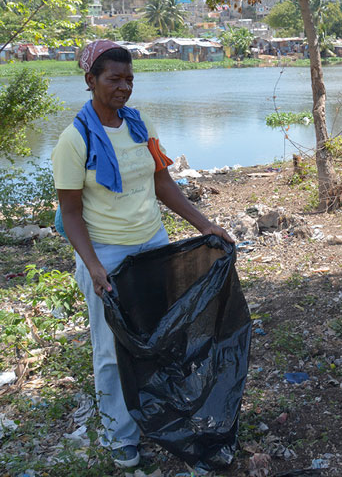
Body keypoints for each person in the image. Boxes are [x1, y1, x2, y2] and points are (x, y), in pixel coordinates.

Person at [52, 40, 234, 468]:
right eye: (114, 79)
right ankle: (122, 437)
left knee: (161, 339)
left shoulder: (139, 125)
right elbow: (72, 214)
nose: (123, 87)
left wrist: (203, 224)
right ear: (90, 80)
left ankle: (159, 417)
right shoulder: (72, 141)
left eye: (129, 79)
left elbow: (162, 184)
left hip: (152, 246)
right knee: (112, 349)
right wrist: (95, 267)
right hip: (108, 254)